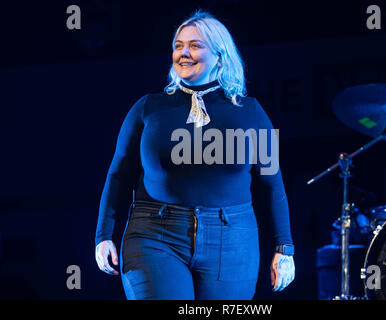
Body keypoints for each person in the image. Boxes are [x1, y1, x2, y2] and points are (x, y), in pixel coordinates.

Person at [95, 10, 295, 300]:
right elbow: (118, 175)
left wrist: (284, 248)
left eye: (195, 45)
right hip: (154, 235)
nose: (184, 53)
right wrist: (103, 236)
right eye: (178, 45)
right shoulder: (148, 108)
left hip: (233, 239)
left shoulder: (251, 111)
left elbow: (271, 183)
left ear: (220, 56)